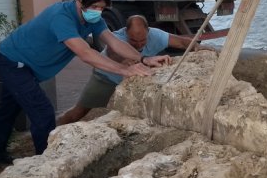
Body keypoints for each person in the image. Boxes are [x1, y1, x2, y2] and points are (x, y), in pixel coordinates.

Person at [0, 0, 170, 163]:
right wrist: (125, 70)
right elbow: (85, 53)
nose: (98, 11)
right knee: (43, 113)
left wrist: (144, 58)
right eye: (95, 7)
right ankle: (47, 165)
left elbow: (113, 41)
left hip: (24, 64)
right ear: (79, 1)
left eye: (102, 7)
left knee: (8, 109)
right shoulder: (61, 17)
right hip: (11, 61)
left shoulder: (92, 18)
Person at [58, 14, 211, 125]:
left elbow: (183, 43)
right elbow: (115, 55)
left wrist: (198, 47)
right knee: (79, 111)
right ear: (125, 32)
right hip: (106, 78)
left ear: (148, 31)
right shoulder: (117, 39)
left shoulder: (156, 35)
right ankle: (52, 131)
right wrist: (140, 61)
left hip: (134, 80)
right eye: (133, 40)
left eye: (142, 40)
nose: (138, 44)